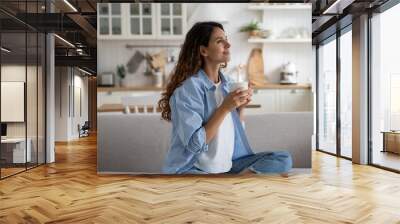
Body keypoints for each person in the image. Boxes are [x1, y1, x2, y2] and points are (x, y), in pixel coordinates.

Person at [158, 21, 292, 175]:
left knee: (283, 158)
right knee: (204, 184)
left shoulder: (228, 83)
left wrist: (240, 109)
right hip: (194, 168)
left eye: (226, 39)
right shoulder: (187, 90)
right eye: (220, 41)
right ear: (203, 50)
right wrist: (224, 108)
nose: (228, 44)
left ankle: (235, 181)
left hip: (227, 166)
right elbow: (195, 145)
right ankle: (234, 183)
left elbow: (231, 136)